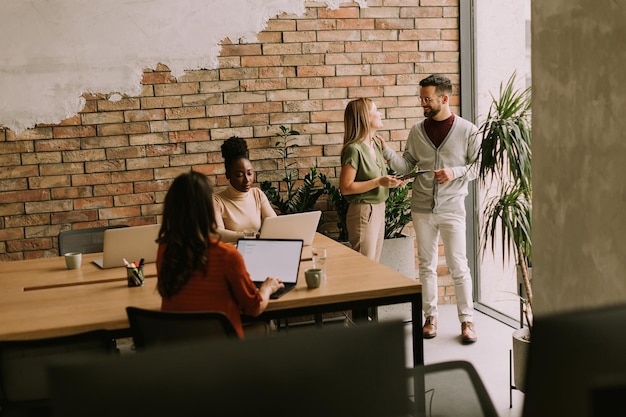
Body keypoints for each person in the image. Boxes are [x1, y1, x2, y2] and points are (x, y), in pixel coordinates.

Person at [382, 74, 480, 344]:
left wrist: (453, 171)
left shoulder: (468, 130)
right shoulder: (417, 131)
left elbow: (478, 167)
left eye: (427, 98)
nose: (422, 103)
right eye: (422, 98)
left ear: (444, 98)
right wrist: (387, 152)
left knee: (459, 265)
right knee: (426, 266)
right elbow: (406, 166)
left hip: (452, 209)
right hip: (422, 208)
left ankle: (467, 321)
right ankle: (430, 317)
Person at [156, 170, 284, 339]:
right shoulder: (228, 255)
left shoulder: (165, 249)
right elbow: (254, 307)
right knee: (267, 326)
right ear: (207, 210)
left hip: (179, 350)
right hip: (223, 351)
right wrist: (267, 287)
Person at [339, 97, 406, 262]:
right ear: (364, 117)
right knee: (365, 266)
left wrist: (393, 182)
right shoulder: (354, 149)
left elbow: (378, 179)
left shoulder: (375, 144)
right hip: (363, 211)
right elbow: (346, 187)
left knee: (374, 264)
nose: (380, 113)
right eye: (375, 110)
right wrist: (379, 182)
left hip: (378, 208)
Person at [213, 136, 276, 243]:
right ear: (228, 175)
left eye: (249, 173)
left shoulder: (257, 194)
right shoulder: (216, 200)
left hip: (256, 250)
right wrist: (251, 236)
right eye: (239, 175)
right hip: (231, 254)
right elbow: (218, 234)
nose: (247, 180)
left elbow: (274, 223)